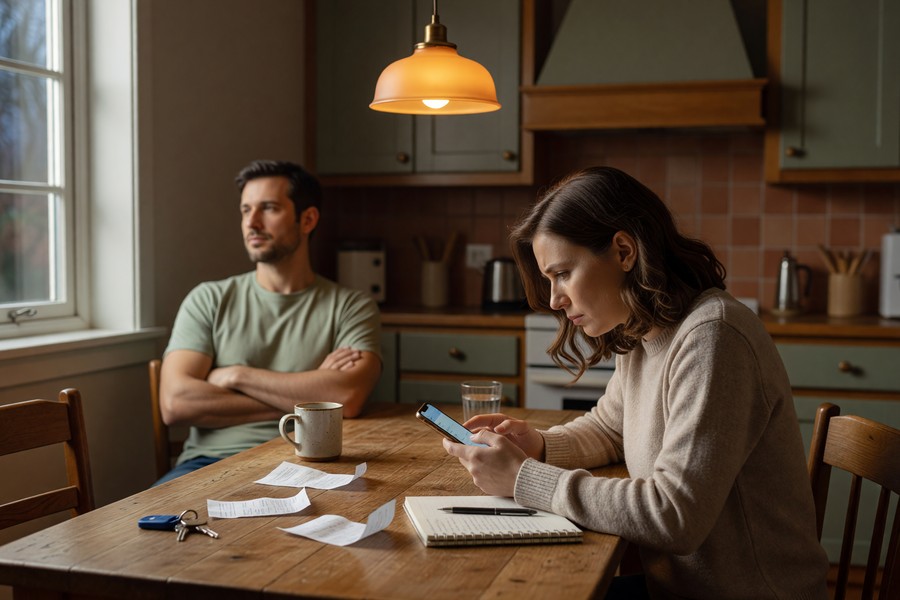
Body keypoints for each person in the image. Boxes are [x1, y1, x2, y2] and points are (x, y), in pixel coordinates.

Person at [443, 167, 828, 599]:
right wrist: (540, 445)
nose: (553, 299)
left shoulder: (714, 338)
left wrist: (524, 479)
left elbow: (673, 515)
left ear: (624, 251)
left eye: (563, 273)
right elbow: (610, 428)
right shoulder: (646, 331)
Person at [156, 160, 382, 485]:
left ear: (308, 219)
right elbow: (176, 404)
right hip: (209, 465)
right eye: (246, 210)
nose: (253, 222)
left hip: (314, 465)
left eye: (269, 208)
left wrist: (235, 375)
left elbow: (347, 396)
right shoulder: (208, 299)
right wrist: (313, 398)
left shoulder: (351, 306)